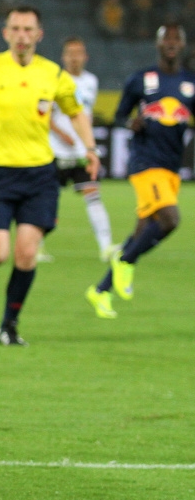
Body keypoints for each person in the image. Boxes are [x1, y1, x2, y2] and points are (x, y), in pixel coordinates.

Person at [0, 6, 100, 346]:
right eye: (15, 29)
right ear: (6, 33)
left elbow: (76, 113)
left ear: (38, 34)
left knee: (27, 254)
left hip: (40, 175)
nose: (21, 35)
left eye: (28, 29)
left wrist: (91, 149)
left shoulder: (53, 74)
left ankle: (9, 326)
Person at [85, 23, 195, 319]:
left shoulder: (190, 82)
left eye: (177, 38)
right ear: (158, 45)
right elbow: (120, 114)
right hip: (145, 163)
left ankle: (101, 290)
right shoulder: (141, 80)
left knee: (144, 230)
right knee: (170, 219)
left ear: (183, 45)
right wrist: (128, 123)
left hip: (171, 168)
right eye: (166, 39)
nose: (171, 43)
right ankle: (126, 262)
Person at [43, 36, 114, 262]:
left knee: (93, 195)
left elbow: (86, 115)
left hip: (81, 153)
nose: (74, 58)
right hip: (55, 151)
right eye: (70, 53)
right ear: (63, 57)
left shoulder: (91, 82)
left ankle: (107, 247)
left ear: (86, 57)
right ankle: (35, 248)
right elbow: (44, 115)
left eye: (78, 53)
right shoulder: (54, 80)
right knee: (45, 200)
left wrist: (88, 143)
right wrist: (62, 134)